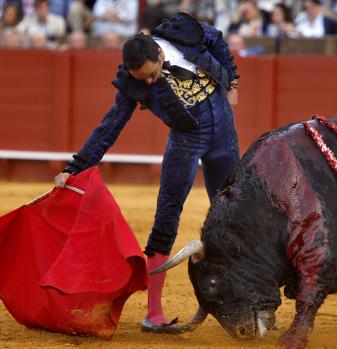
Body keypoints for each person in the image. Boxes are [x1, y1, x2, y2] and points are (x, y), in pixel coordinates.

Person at [54, 12, 240, 333]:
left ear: (158, 54)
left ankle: (242, 298)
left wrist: (232, 81)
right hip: (186, 140)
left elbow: (218, 40)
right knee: (166, 217)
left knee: (234, 214)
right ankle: (154, 313)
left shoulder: (182, 32)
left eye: (152, 74)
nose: (150, 82)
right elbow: (110, 126)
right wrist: (76, 167)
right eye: (143, 80)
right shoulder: (131, 82)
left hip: (224, 131)